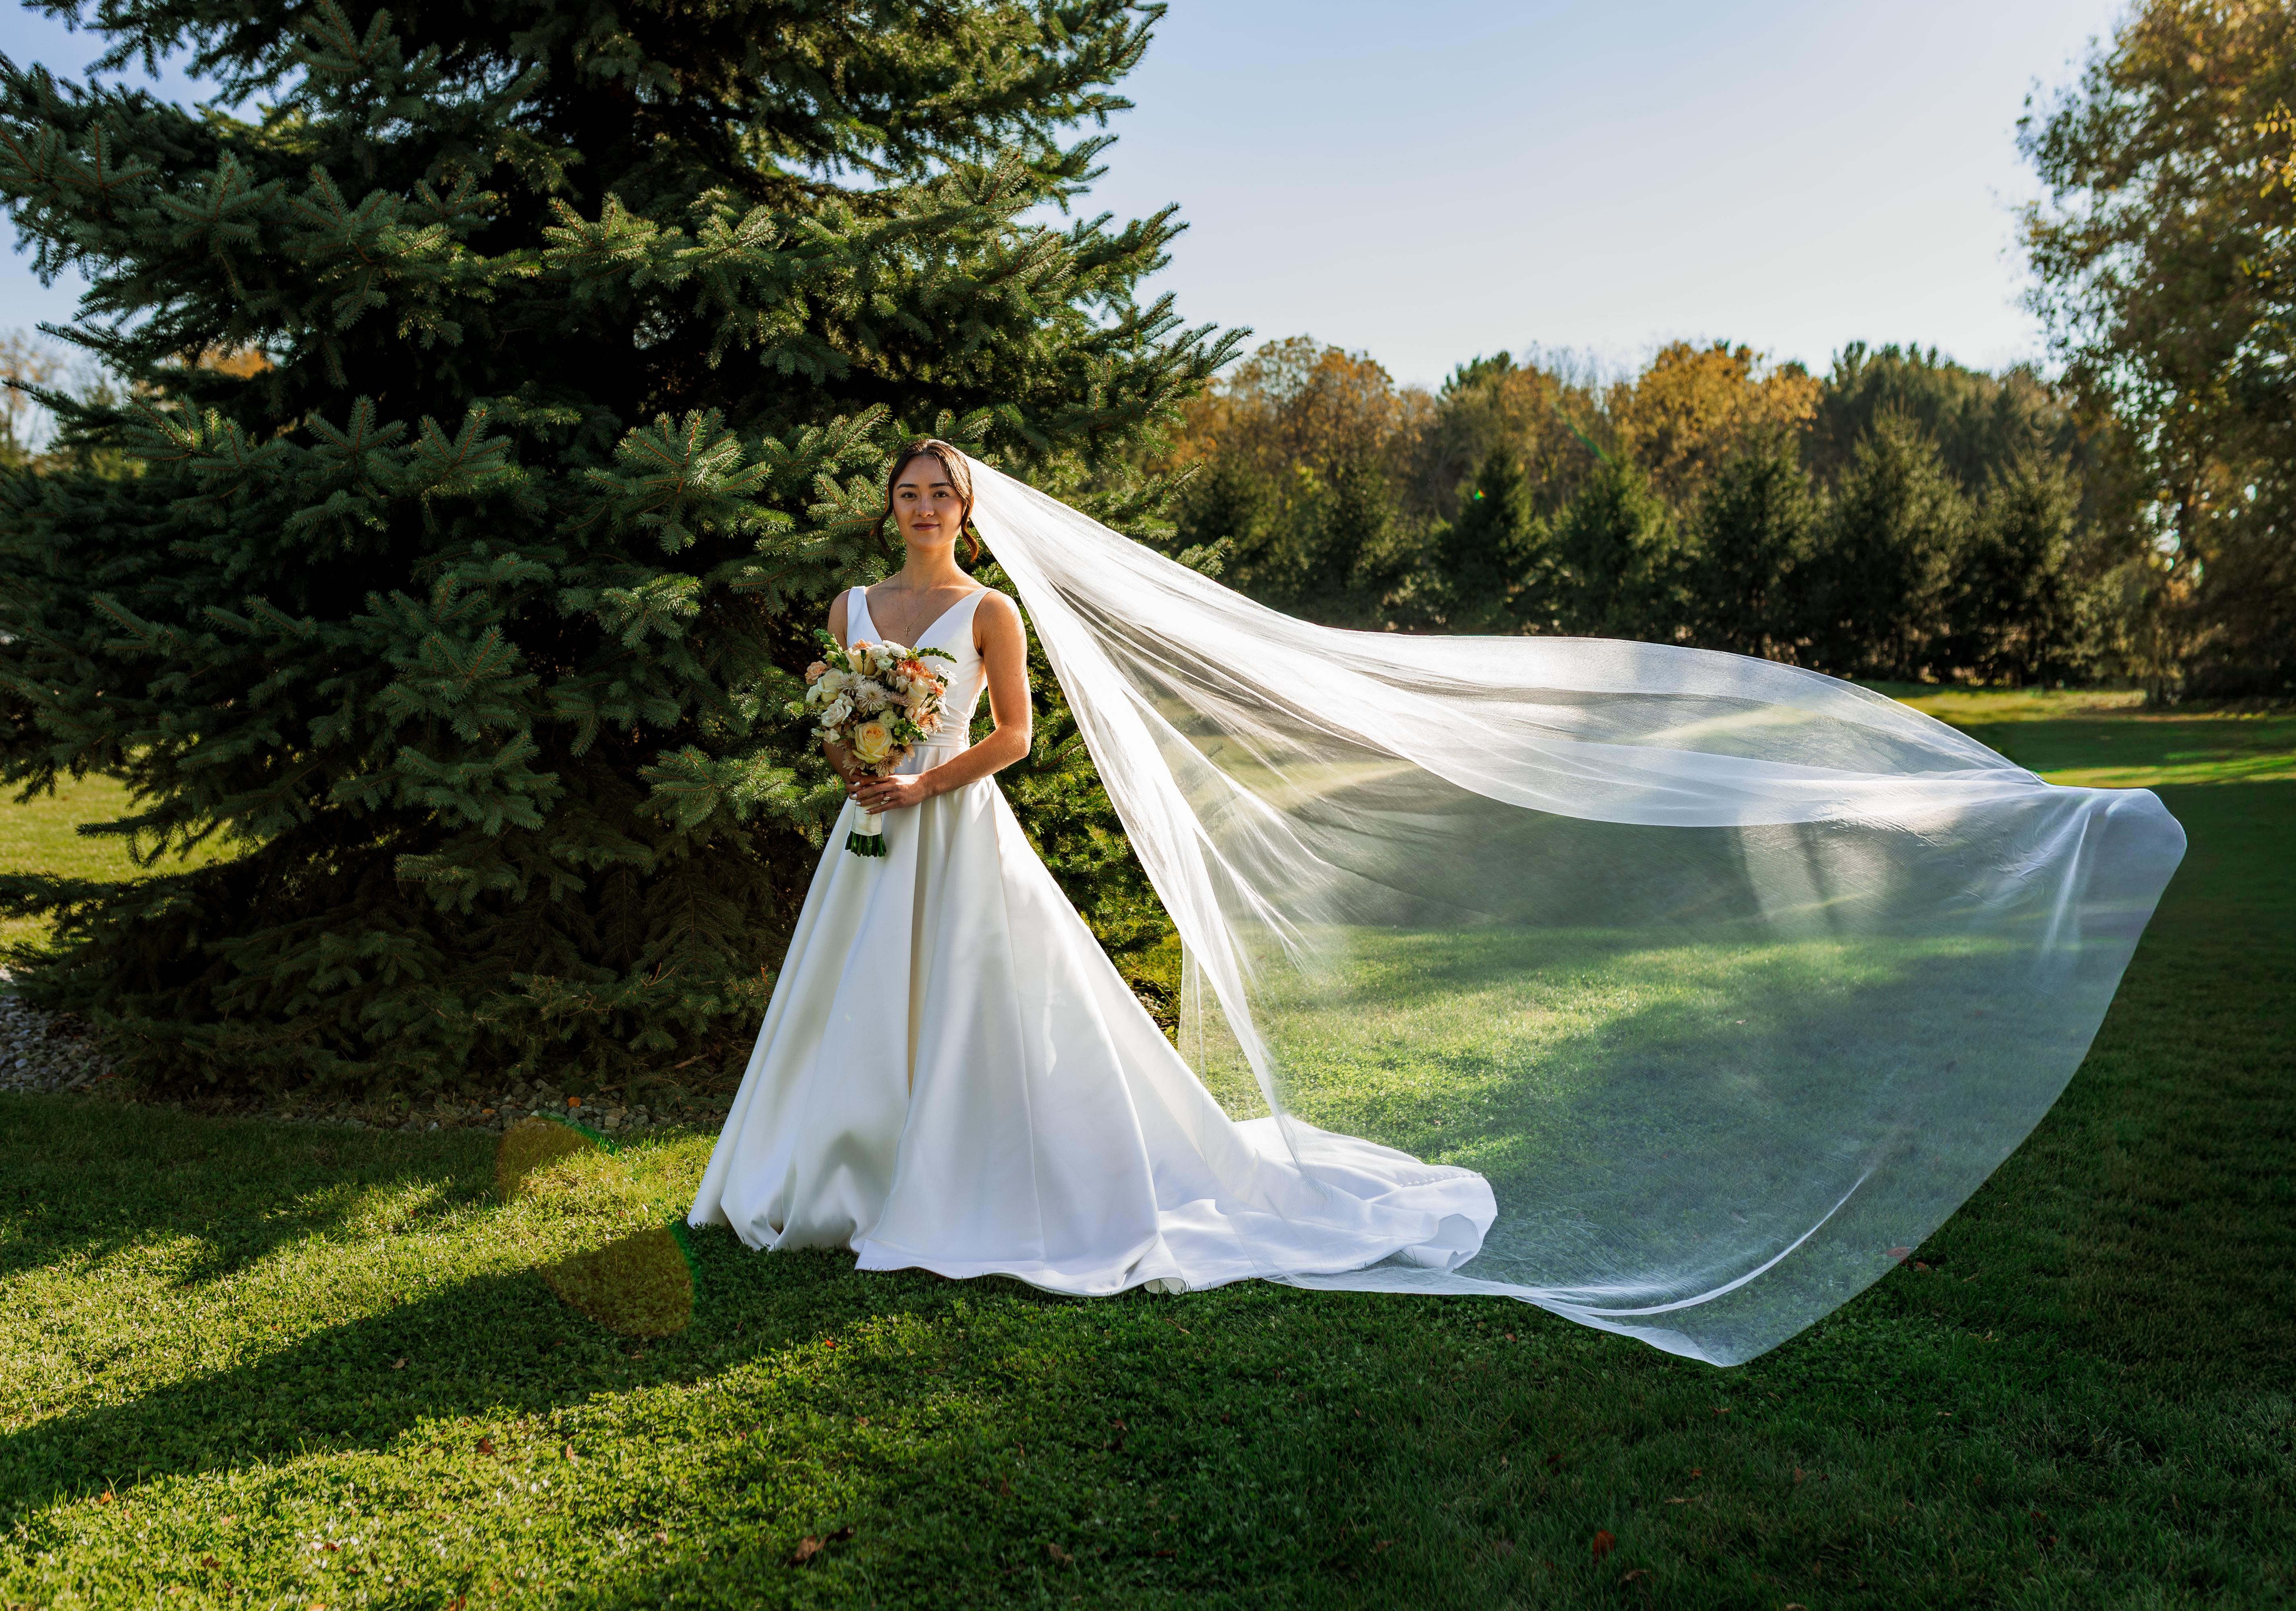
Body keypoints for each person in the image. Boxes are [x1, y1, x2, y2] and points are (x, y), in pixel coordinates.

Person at [686, 441, 1497, 1294]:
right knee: (855, 995)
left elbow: (1015, 734)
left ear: (965, 510)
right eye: (909, 493)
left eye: (940, 495)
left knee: (967, 997)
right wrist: (852, 768)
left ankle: (967, 1175)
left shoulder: (988, 610)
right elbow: (831, 708)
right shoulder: (850, 604)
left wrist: (926, 780)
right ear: (889, 506)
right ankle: (849, 1171)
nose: (924, 508)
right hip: (872, 828)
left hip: (955, 823)